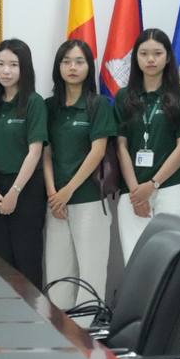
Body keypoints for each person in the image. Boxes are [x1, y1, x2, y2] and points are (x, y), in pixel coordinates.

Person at [114, 29, 180, 261]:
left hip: (171, 188)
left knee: (171, 260)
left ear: (168, 57)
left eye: (157, 53)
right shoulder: (124, 97)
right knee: (135, 260)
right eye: (144, 53)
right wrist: (136, 191)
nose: (150, 59)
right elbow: (121, 146)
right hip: (133, 192)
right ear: (136, 58)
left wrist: (153, 184)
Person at [42, 39, 116, 308]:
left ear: (89, 67)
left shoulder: (98, 105)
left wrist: (67, 191)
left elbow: (97, 152)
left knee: (91, 273)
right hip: (56, 204)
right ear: (58, 66)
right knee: (58, 273)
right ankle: (62, 335)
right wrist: (53, 194)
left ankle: (87, 340)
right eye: (66, 61)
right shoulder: (49, 107)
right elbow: (45, 152)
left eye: (79, 61)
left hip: (89, 201)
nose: (72, 67)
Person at [0, 38, 47, 288]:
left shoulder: (34, 102)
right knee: (0, 261)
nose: (6, 70)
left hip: (26, 189)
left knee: (26, 260)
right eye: (1, 64)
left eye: (13, 64)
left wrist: (15, 192)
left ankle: (33, 321)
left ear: (25, 68)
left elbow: (35, 152)